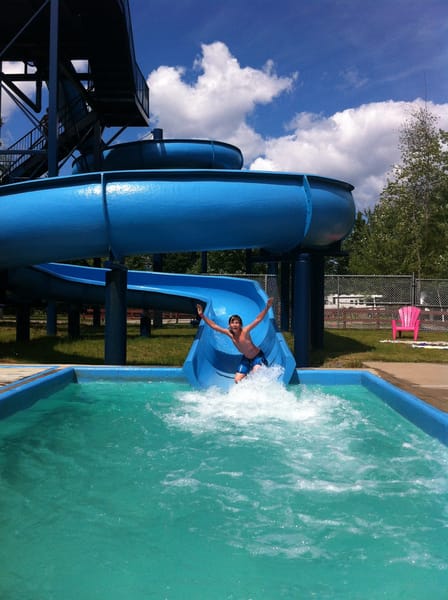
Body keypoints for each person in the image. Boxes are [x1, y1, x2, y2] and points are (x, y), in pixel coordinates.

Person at [196, 298, 274, 383]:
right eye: (232, 323)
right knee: (237, 380)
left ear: (240, 325)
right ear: (229, 325)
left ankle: (255, 371)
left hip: (257, 357)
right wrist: (202, 315)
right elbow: (214, 326)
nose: (234, 325)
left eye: (237, 323)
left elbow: (257, 319)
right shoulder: (229, 333)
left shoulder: (245, 331)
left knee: (256, 373)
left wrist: (267, 307)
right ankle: (250, 375)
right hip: (246, 359)